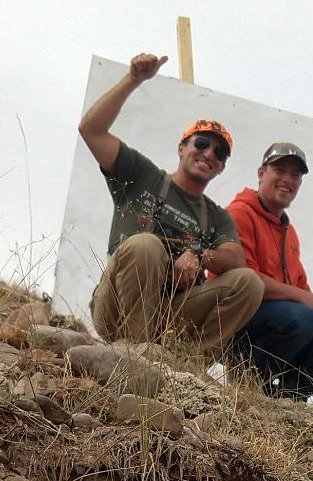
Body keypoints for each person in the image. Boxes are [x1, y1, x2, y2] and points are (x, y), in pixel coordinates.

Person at [78, 52, 264, 358]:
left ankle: (187, 370)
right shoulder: (140, 174)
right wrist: (133, 80)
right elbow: (92, 130)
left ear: (221, 168)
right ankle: (135, 355)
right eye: (201, 143)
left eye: (219, 153)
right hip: (117, 307)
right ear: (182, 147)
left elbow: (235, 260)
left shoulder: (215, 216)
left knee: (249, 284)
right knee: (145, 246)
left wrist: (199, 256)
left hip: (172, 315)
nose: (209, 154)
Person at [226, 143, 313, 400]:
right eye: (279, 169)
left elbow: (300, 287)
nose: (287, 180)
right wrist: (304, 300)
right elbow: (243, 279)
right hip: (239, 322)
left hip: (286, 320)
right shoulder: (239, 214)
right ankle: (248, 383)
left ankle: (289, 395)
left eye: (295, 175)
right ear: (261, 173)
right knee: (302, 316)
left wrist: (311, 303)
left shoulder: (288, 232)